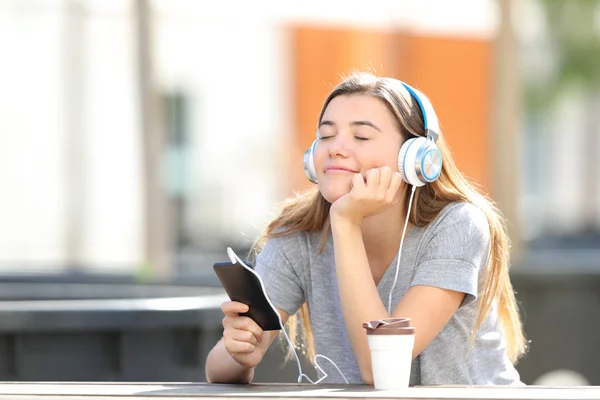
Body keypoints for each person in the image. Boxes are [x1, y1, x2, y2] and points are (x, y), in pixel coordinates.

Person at [205, 71, 528, 386]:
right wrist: (238, 352)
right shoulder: (296, 234)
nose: (336, 148)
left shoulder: (458, 226)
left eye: (361, 136)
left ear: (414, 157)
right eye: (326, 135)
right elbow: (217, 370)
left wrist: (345, 223)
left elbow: (381, 368)